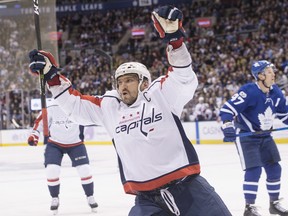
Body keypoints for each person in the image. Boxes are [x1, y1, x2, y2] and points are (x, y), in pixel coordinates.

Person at [28, 6, 232, 216]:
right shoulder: (109, 107)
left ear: (144, 82)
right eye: (120, 82)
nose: (123, 86)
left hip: (189, 189)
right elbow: (76, 106)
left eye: (129, 80)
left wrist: (174, 39)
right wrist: (51, 76)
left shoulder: (161, 94)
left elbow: (183, 77)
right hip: (146, 199)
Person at [220, 60, 288, 216]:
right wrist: (227, 125)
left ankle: (274, 203)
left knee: (274, 168)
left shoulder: (276, 92)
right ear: (260, 75)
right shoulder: (248, 91)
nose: (273, 74)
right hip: (247, 137)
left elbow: (285, 115)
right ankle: (249, 208)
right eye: (270, 72)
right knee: (254, 170)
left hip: (265, 136)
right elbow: (227, 109)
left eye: (273, 71)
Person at [27, 99, 98, 215]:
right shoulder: (51, 106)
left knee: (85, 170)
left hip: (76, 143)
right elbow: (40, 122)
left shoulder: (78, 104)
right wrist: (34, 134)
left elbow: (93, 115)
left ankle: (90, 196)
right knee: (51, 170)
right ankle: (55, 197)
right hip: (55, 143)